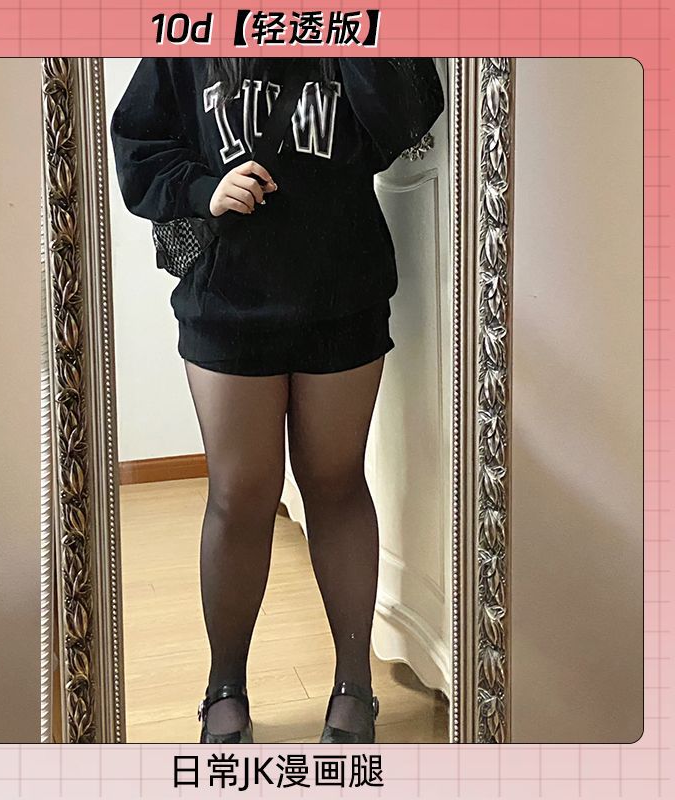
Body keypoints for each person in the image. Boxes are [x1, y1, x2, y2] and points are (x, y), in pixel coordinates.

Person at [110, 56, 445, 744]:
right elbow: (138, 142)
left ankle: (354, 684)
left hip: (342, 294)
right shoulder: (192, 36)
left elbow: (407, 117)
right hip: (226, 299)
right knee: (239, 494)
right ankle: (224, 685)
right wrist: (203, 187)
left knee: (335, 484)